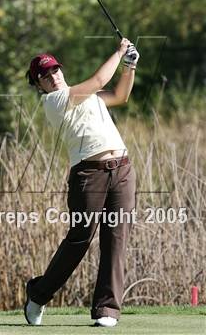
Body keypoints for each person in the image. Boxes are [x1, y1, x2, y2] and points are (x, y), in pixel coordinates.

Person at [24, 38, 139, 327]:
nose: (53, 77)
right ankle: (38, 294)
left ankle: (106, 310)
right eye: (45, 76)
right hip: (89, 175)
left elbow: (121, 95)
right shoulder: (55, 100)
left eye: (55, 71)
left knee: (116, 239)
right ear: (39, 85)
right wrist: (119, 51)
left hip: (122, 170)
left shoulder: (87, 97)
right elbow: (100, 78)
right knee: (79, 239)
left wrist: (130, 65)